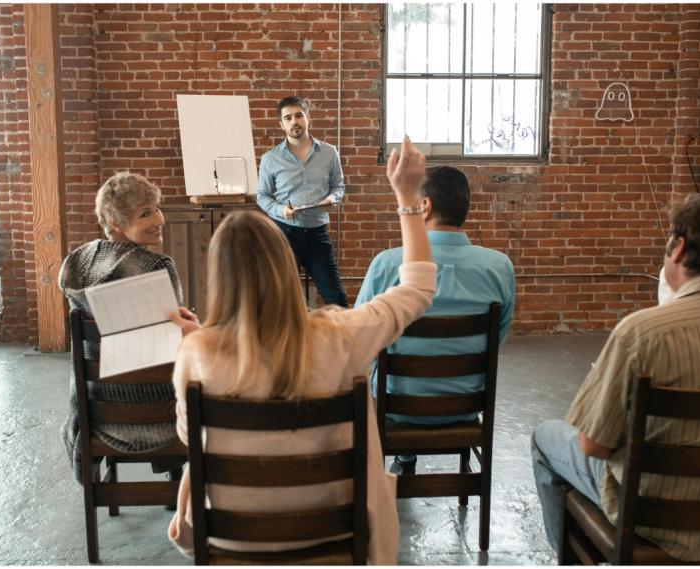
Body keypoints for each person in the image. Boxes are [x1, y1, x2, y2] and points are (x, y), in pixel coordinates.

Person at [167, 137, 434, 564]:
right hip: (332, 541)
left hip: (233, 545)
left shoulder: (195, 351)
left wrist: (196, 344)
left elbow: (189, 438)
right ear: (286, 267)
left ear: (217, 279)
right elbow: (418, 288)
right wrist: (407, 195)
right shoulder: (342, 336)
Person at [531, 192, 700, 562]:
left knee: (546, 438)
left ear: (679, 248)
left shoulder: (641, 334)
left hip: (650, 518)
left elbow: (594, 446)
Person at [355, 166, 515, 476]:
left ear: (425, 207)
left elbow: (362, 339)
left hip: (396, 404)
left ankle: (400, 461)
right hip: (466, 404)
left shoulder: (388, 264)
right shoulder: (500, 267)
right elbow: (497, 339)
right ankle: (407, 458)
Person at [59, 171, 191, 484]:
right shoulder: (157, 267)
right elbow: (174, 342)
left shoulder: (77, 264)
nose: (159, 219)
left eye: (158, 208)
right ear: (116, 223)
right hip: (160, 414)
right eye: (146, 213)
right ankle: (181, 483)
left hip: (99, 408)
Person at [255, 95, 348, 307]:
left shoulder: (329, 152)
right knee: (282, 300)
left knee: (336, 298)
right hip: (284, 234)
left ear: (308, 118)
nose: (294, 121)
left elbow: (338, 186)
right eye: (288, 118)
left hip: (318, 234)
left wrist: (333, 198)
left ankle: (343, 340)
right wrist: (282, 210)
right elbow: (262, 195)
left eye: (298, 115)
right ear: (281, 124)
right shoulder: (270, 158)